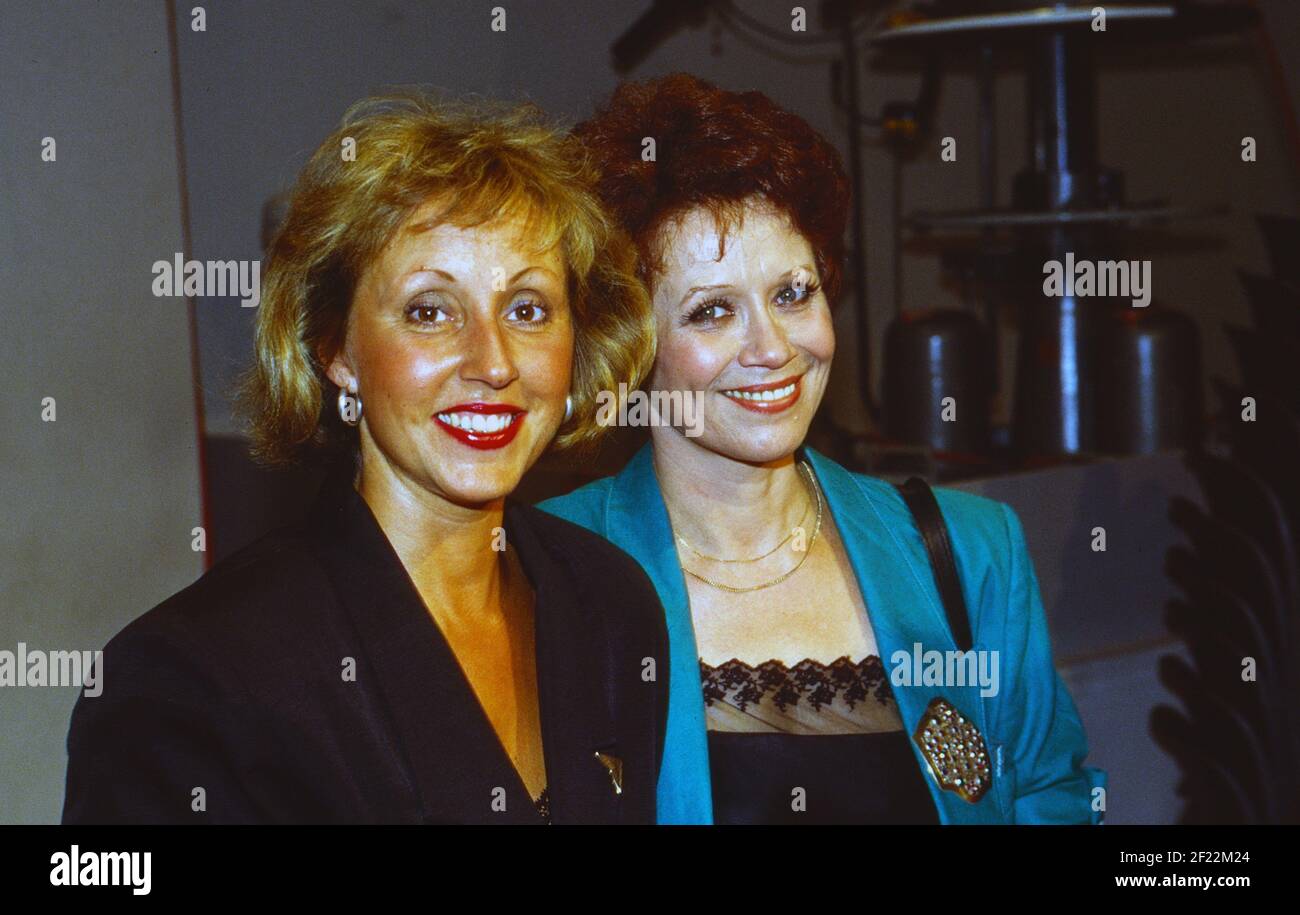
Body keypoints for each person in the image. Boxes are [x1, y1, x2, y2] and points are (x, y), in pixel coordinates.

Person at [62, 90, 666, 824]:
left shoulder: (611, 606)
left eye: (528, 309)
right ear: (336, 351)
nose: (494, 360)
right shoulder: (191, 677)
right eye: (430, 311)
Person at [541, 74, 1105, 825]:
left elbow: (1053, 796)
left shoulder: (969, 553)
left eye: (792, 293)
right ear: (631, 343)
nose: (772, 347)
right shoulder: (550, 567)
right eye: (713, 311)